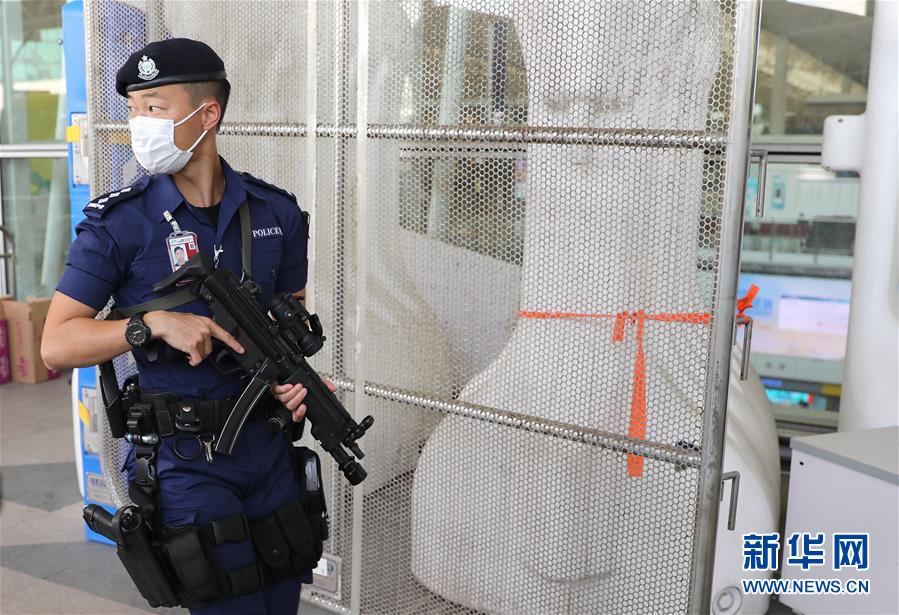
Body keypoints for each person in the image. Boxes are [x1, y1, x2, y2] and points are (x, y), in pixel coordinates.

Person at [41, 38, 334, 614]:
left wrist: (295, 383)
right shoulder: (119, 224)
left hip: (270, 449)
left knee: (281, 605)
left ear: (208, 114)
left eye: (154, 107)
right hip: (187, 461)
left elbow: (288, 325)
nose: (138, 123)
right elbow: (57, 342)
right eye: (133, 108)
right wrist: (148, 325)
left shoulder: (276, 213)